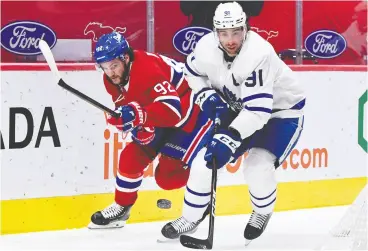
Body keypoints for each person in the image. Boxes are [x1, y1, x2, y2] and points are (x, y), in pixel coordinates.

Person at [160, 1, 305, 245]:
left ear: (246, 29)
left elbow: (258, 111)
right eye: (224, 33)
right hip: (239, 109)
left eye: (236, 32)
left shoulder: (259, 53)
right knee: (203, 163)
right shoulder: (205, 47)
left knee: (257, 167)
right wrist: (205, 95)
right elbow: (192, 73)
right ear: (215, 31)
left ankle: (262, 211)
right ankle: (191, 217)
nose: (230, 40)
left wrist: (230, 136)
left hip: (280, 113)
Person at [88, 31, 215, 229]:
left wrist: (139, 116)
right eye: (105, 68)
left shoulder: (147, 70)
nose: (110, 73)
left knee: (168, 177)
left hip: (193, 113)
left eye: (114, 66)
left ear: (126, 58)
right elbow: (133, 108)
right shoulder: (111, 80)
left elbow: (173, 110)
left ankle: (198, 206)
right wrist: (133, 124)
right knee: (131, 157)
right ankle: (122, 208)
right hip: (160, 113)